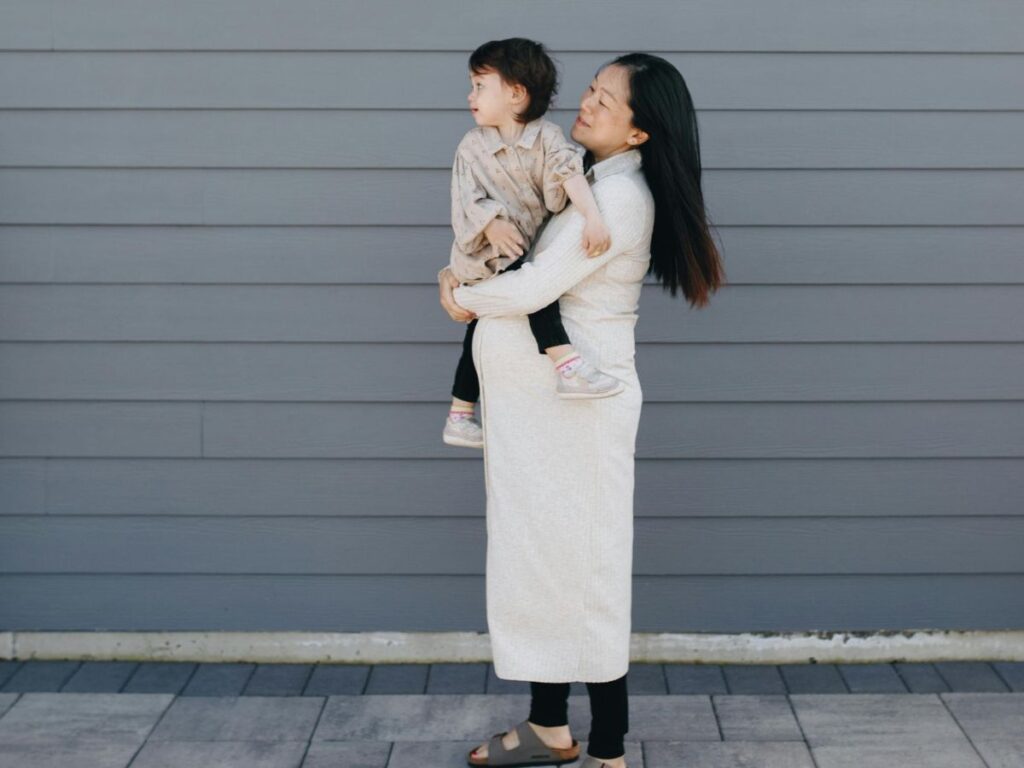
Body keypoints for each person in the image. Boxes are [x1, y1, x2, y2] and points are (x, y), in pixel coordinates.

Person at [439, 53, 725, 768]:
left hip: (579, 412)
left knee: (586, 571)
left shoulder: (622, 199)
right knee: (538, 560)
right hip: (537, 412)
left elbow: (536, 286)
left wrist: (456, 296)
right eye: (592, 89)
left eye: (606, 99)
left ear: (639, 134)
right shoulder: (586, 180)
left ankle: (608, 748)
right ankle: (548, 726)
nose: (588, 103)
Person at [443, 38, 626, 452]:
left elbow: (567, 176)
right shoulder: (472, 146)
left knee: (476, 335)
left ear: (515, 93)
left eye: (479, 85)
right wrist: (490, 226)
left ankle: (459, 413)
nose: (470, 96)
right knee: (535, 293)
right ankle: (567, 363)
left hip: (518, 248)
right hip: (484, 250)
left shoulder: (547, 138)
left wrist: (593, 217)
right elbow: (464, 197)